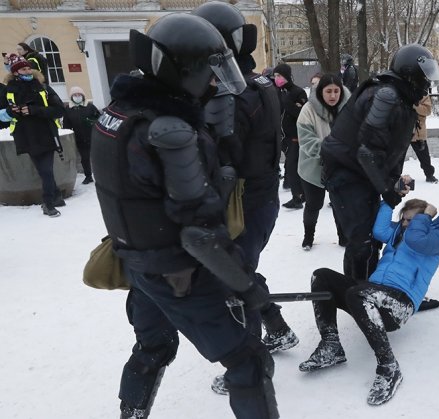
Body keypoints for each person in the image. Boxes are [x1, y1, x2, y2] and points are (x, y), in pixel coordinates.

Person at [89, 13, 278, 418]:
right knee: (248, 360)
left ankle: (132, 413)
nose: (213, 82)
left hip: (140, 264)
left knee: (154, 345)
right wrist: (247, 288)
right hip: (178, 274)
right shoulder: (170, 131)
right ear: (182, 70)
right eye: (208, 72)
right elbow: (200, 235)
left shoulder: (119, 112)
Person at [192, 0, 299, 382]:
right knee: (240, 270)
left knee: (233, 282)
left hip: (241, 200)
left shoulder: (229, 93)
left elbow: (221, 159)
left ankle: (254, 363)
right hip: (261, 195)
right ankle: (279, 328)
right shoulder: (261, 82)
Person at [299, 198, 439, 405]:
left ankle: (389, 367)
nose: (406, 224)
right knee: (322, 276)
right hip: (373, 292)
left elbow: (418, 241)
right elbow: (379, 229)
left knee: (357, 293)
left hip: (401, 302)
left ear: (425, 219)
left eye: (411, 220)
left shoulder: (438, 235)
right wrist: (391, 199)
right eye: (404, 219)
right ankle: (331, 345)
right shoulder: (398, 233)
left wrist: (424, 217)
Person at [320, 43, 439, 284]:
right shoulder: (386, 96)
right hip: (346, 174)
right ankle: (360, 293)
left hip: (362, 173)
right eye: (424, 76)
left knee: (372, 237)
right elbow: (366, 152)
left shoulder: (400, 97)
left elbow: (386, 148)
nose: (427, 83)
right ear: (411, 73)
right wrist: (387, 190)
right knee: (362, 241)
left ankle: (369, 288)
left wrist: (392, 179)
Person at [1, 54, 64, 217]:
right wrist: (11, 111)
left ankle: (48, 203)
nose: (28, 71)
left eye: (29, 67)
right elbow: (2, 115)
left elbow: (59, 110)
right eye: (23, 68)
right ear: (15, 72)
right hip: (25, 137)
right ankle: (56, 195)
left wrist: (34, 110)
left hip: (46, 134)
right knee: (44, 171)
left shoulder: (43, 87)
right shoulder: (8, 90)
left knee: (46, 171)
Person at [296, 73, 350, 250]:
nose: (333, 95)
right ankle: (308, 237)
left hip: (340, 167)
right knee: (314, 204)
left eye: (336, 91)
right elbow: (307, 142)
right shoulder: (308, 110)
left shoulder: (349, 108)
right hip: (312, 168)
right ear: (320, 92)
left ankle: (343, 236)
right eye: (328, 91)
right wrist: (335, 149)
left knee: (339, 204)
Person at [274, 63, 308, 209]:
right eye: (275, 76)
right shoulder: (277, 92)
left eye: (279, 76)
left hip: (295, 137)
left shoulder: (298, 92)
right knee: (291, 167)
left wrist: (288, 103)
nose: (277, 79)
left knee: (293, 168)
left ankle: (298, 197)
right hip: (283, 137)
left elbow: (302, 114)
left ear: (287, 76)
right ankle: (300, 195)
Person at [62, 86, 100, 185]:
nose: (77, 96)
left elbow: (99, 119)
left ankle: (103, 174)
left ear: (83, 96)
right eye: (75, 95)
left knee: (98, 156)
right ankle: (88, 176)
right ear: (71, 97)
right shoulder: (68, 109)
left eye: (79, 95)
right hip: (79, 138)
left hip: (93, 136)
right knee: (85, 158)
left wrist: (91, 122)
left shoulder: (90, 106)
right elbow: (66, 126)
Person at [410, 95, 438, 183]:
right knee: (396, 156)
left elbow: (427, 110)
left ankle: (429, 175)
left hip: (417, 131)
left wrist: (414, 105)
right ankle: (393, 176)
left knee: (424, 156)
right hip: (400, 129)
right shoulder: (399, 89)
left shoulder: (421, 93)